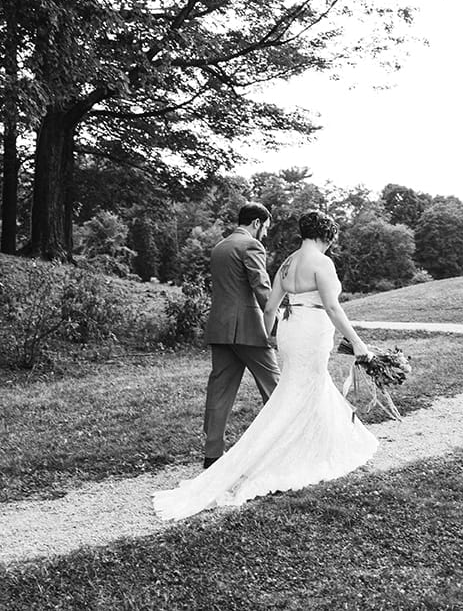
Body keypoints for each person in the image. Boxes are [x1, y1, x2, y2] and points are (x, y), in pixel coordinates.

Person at [153, 210, 377, 521]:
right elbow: (330, 306)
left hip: (282, 331)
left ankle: (223, 451)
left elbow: (271, 306)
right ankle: (293, 448)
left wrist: (272, 335)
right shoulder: (321, 263)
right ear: (326, 235)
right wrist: (357, 342)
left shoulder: (284, 262)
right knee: (294, 390)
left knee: (285, 388)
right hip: (305, 331)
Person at [200, 202, 279, 470]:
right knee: (276, 388)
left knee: (219, 392)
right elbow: (263, 289)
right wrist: (278, 327)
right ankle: (282, 445)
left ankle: (212, 456)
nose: (265, 234)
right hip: (248, 329)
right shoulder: (251, 246)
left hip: (220, 329)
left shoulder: (219, 247)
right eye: (265, 228)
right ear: (256, 223)